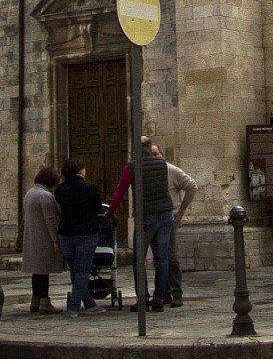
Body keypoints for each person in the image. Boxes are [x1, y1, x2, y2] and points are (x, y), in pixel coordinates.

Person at [109, 135, 196, 309]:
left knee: (138, 258)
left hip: (146, 215)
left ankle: (143, 298)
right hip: (165, 214)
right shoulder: (162, 165)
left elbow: (119, 193)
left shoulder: (132, 167)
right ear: (150, 148)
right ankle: (159, 300)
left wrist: (110, 212)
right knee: (162, 258)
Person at [55, 157, 103, 315]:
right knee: (82, 271)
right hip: (86, 234)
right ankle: (73, 307)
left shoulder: (60, 190)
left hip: (66, 234)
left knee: (75, 270)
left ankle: (89, 303)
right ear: (81, 170)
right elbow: (97, 208)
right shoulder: (90, 188)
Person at [20, 166, 61, 313]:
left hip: (32, 238)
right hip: (43, 239)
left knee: (36, 272)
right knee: (44, 271)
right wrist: (55, 240)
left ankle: (35, 300)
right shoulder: (45, 196)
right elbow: (50, 220)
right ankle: (44, 302)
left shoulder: (29, 193)